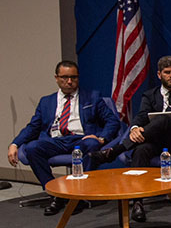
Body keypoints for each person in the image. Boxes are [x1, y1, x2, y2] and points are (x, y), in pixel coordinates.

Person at [91, 56, 171, 222]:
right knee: (141, 150)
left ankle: (117, 150)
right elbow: (141, 116)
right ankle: (138, 203)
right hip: (157, 143)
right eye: (167, 72)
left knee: (164, 120)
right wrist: (135, 127)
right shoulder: (150, 95)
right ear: (159, 75)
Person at [7, 61, 120, 216]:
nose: (69, 81)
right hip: (56, 140)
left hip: (81, 139)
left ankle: (79, 194)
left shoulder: (92, 97)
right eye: (65, 77)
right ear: (56, 78)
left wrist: (102, 138)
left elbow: (112, 121)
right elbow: (32, 127)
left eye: (73, 77)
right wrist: (15, 143)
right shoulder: (46, 101)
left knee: (92, 144)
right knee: (32, 148)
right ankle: (55, 194)